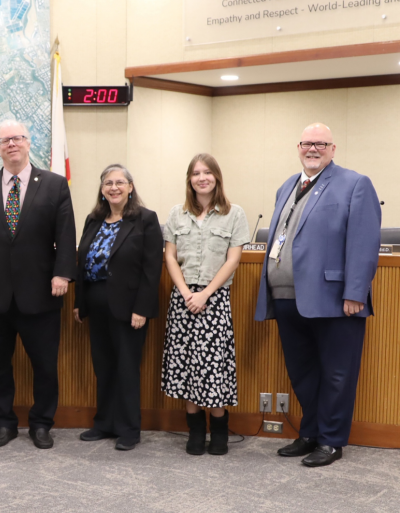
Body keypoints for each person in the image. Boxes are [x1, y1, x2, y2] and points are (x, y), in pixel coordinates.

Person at [255, 123, 381, 467]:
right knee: (302, 372)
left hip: (335, 299)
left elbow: (364, 242)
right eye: (308, 143)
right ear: (298, 147)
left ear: (333, 148)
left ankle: (331, 440)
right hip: (285, 297)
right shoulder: (287, 186)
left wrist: (355, 291)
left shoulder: (355, 184)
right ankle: (310, 432)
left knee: (338, 373)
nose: (313, 149)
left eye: (321, 143)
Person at [0, 120, 76, 450]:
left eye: (17, 138)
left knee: (44, 366)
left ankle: (41, 424)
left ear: (28, 143)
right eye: (4, 140)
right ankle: (4, 422)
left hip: (41, 293)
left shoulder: (54, 185)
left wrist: (62, 273)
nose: (11, 144)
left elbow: (65, 235)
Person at [161, 153, 249, 456]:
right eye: (196, 173)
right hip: (183, 299)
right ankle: (195, 432)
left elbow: (233, 259)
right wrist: (186, 292)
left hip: (214, 301)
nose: (202, 178)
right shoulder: (177, 214)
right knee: (187, 366)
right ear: (189, 179)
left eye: (207, 173)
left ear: (217, 178)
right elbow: (170, 256)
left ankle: (220, 430)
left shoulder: (234, 214)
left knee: (212, 368)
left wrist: (205, 294)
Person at [73, 164, 163, 451]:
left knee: (126, 367)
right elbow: (82, 263)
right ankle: (104, 423)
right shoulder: (93, 220)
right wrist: (79, 303)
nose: (114, 187)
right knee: (103, 366)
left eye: (120, 182)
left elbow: (152, 269)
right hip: (96, 303)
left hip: (129, 307)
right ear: (102, 189)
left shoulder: (145, 219)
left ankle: (128, 428)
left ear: (130, 187)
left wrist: (142, 309)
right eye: (108, 183)